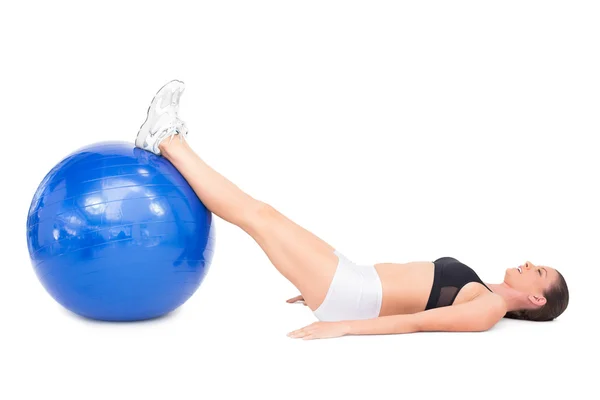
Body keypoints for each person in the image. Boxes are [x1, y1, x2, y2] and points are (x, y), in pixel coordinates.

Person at [135, 80, 569, 339]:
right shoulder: (484, 289)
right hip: (350, 278)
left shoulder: (489, 309)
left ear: (534, 298)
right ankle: (169, 140)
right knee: (262, 213)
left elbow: (417, 324)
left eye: (541, 272)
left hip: (351, 293)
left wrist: (340, 326)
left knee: (257, 216)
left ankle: (167, 139)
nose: (532, 264)